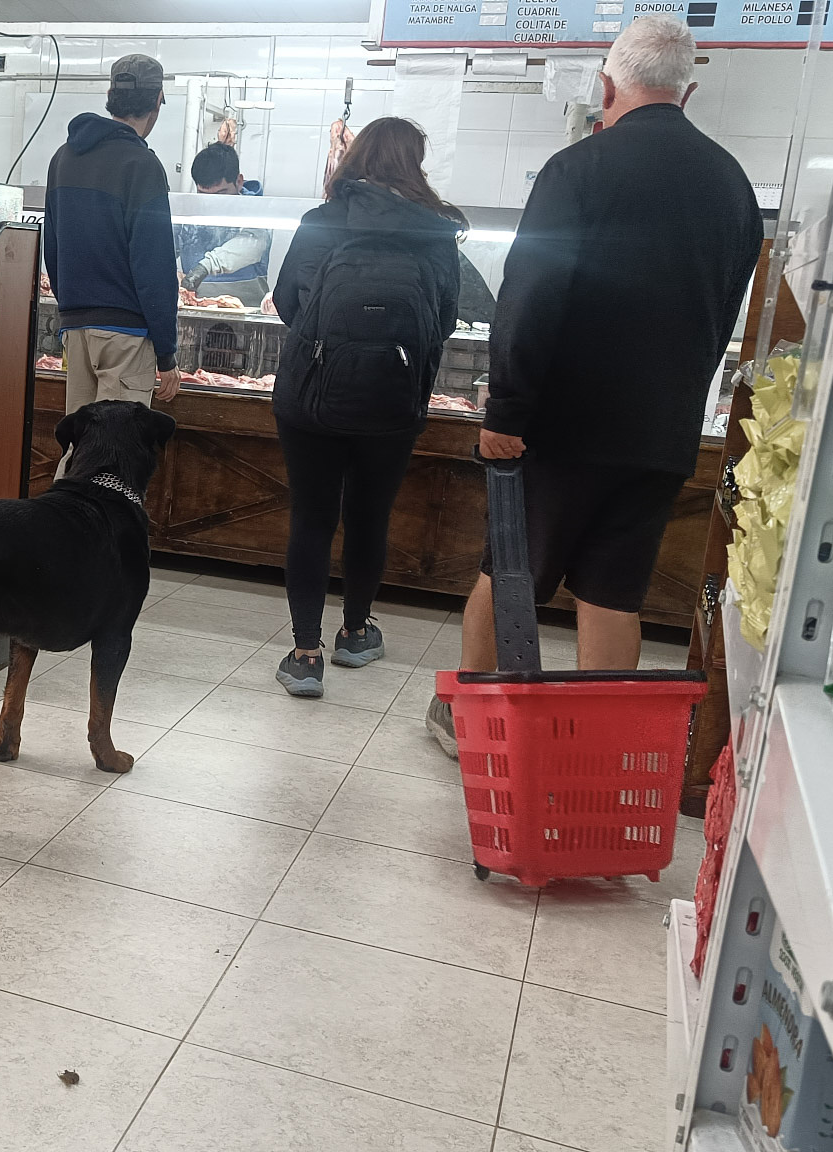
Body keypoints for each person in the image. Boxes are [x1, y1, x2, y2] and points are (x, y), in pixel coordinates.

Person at [429, 15, 763, 752]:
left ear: (607, 87)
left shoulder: (578, 169)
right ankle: (595, 741)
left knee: (513, 570)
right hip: (663, 432)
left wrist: (508, 407)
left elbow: (530, 296)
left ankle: (469, 718)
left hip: (563, 427)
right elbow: (725, 312)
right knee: (614, 592)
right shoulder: (733, 186)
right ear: (689, 91)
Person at [267, 117, 464, 697]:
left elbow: (285, 303)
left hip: (311, 399)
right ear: (415, 166)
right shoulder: (437, 231)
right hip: (393, 400)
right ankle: (355, 632)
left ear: (355, 159)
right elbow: (445, 321)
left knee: (311, 516)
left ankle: (306, 655)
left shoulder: (321, 222)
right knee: (369, 515)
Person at [43, 53, 181, 412]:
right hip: (126, 337)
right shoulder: (142, 165)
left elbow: (53, 249)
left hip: (75, 331)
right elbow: (155, 266)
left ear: (110, 95)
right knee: (114, 454)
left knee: (82, 445)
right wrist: (166, 355)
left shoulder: (63, 159)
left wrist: (74, 309)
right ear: (157, 101)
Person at [175, 141, 273, 307]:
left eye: (221, 193)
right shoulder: (188, 212)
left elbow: (251, 246)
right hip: (196, 310)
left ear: (239, 181)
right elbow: (165, 246)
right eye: (204, 194)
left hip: (245, 314)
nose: (212, 203)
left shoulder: (256, 212)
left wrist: (204, 267)